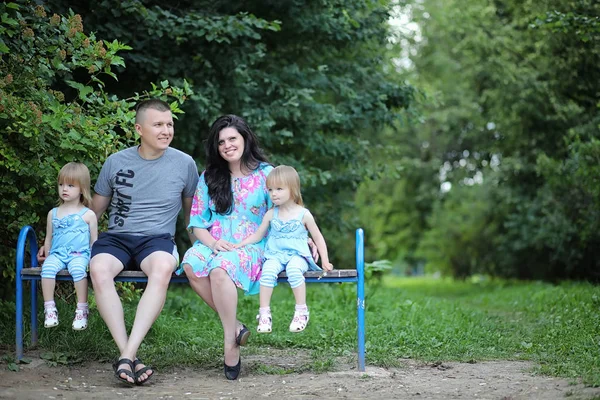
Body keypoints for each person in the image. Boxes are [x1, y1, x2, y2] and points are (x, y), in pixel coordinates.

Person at [89, 99, 199, 385]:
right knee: (98, 269)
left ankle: (127, 355)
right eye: (158, 124)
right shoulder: (116, 161)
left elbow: (192, 217)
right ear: (139, 128)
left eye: (170, 124)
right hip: (117, 238)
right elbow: (93, 212)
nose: (166, 130)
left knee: (163, 268)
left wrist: (202, 248)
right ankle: (129, 356)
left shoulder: (185, 164)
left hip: (157, 240)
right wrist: (56, 241)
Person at [177, 114, 273, 380]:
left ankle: (229, 343)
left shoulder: (266, 174)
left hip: (251, 244)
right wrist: (212, 242)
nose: (228, 145)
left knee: (220, 270)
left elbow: (285, 211)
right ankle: (236, 326)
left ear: (245, 138)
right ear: (216, 147)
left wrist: (306, 237)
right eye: (221, 142)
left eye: (233, 138)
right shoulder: (209, 177)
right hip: (215, 241)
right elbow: (196, 223)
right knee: (190, 264)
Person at [235, 165, 333, 334]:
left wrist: (325, 260)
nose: (274, 194)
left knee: (294, 270)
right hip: (275, 255)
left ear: (293, 189)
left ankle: (301, 311)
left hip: (298, 256)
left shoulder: (303, 214)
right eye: (271, 189)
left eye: (279, 189)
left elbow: (318, 237)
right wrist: (240, 244)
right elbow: (258, 235)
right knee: (267, 271)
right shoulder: (271, 214)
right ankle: (264, 313)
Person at [41, 162, 98, 331]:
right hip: (57, 254)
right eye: (61, 185)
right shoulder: (53, 213)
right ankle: (49, 308)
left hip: (79, 254)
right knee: (47, 269)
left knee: (78, 270)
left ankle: (82, 309)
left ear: (82, 189)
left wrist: (93, 260)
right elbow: (49, 238)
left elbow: (94, 241)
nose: (64, 189)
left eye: (71, 185)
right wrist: (47, 254)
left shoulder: (88, 215)